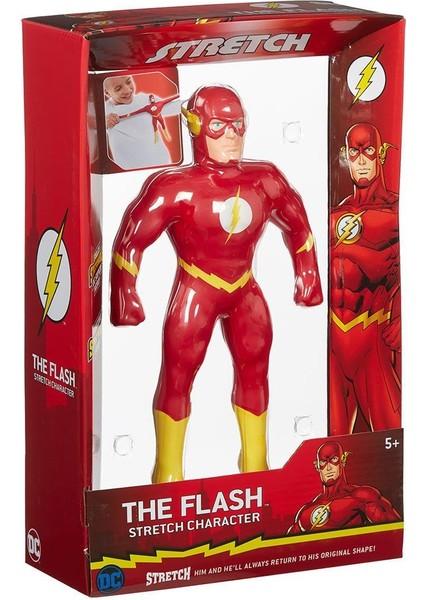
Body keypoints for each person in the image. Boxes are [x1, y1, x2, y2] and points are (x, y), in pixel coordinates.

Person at [110, 84, 323, 483]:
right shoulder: (175, 186)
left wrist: (307, 272)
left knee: (256, 371)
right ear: (196, 127)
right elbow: (132, 239)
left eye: (238, 125)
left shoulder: (264, 178)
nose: (232, 135)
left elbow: (298, 224)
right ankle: (168, 472)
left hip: (245, 289)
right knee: (177, 376)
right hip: (197, 288)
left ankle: (256, 465)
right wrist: (125, 292)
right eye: (219, 126)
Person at [330, 123, 400, 434]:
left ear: (380, 154)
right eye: (354, 152)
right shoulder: (337, 211)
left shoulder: (396, 210)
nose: (360, 161)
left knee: (390, 435)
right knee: (333, 437)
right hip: (334, 341)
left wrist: (403, 315)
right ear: (345, 155)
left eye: (368, 151)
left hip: (371, 335)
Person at [287, 441, 401, 533]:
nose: (328, 468)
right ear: (317, 466)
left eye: (333, 460)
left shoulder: (361, 496)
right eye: (323, 462)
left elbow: (394, 533)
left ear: (343, 460)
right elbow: (287, 547)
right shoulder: (305, 512)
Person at [104, 75, 180, 169]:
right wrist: (103, 122)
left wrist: (192, 103)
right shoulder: (104, 110)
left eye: (128, 82)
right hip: (128, 168)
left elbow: (174, 107)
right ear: (107, 92)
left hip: (160, 161)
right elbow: (90, 131)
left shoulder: (146, 100)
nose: (127, 90)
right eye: (118, 89)